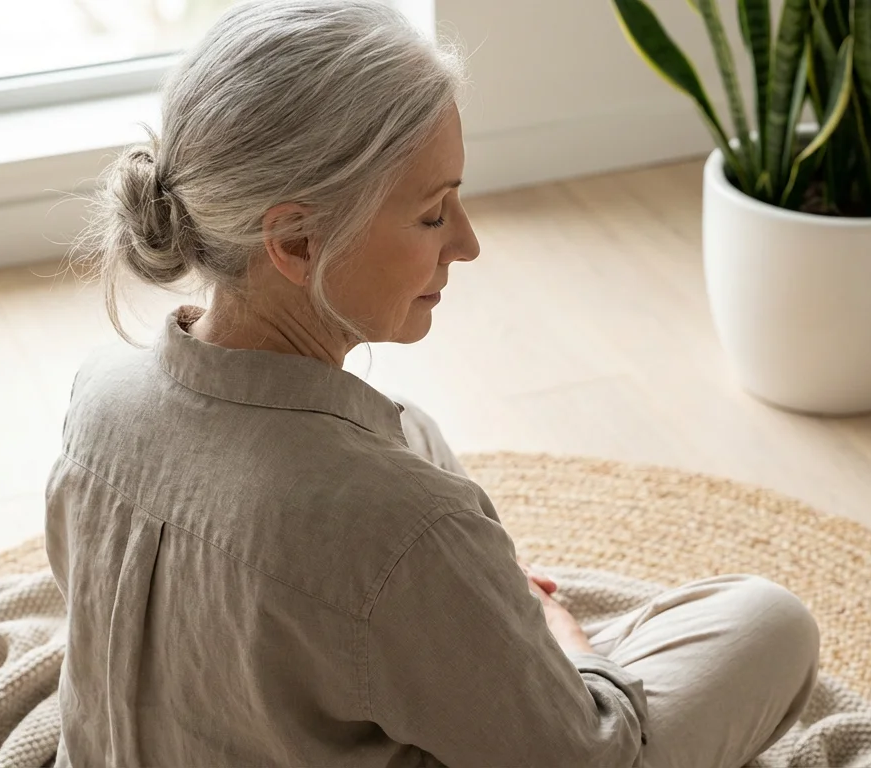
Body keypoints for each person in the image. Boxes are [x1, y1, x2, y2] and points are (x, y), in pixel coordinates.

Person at [47, 1, 819, 765]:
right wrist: (567, 641)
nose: (468, 242)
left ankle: (472, 638)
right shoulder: (399, 525)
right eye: (431, 214)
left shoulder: (100, 394)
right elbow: (582, 759)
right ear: (294, 240)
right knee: (769, 623)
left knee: (407, 425)